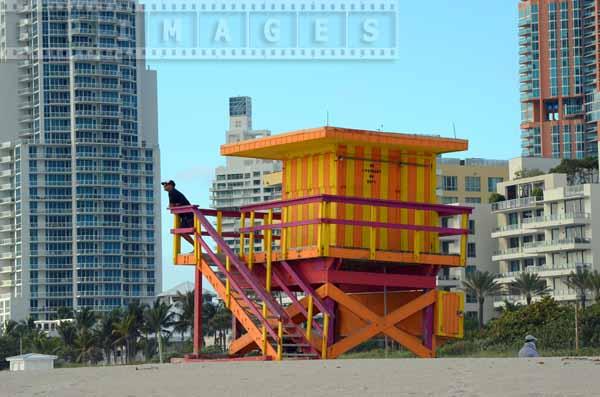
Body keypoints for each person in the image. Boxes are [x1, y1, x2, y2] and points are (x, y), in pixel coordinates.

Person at [162, 180, 194, 245]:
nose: (164, 186)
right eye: (164, 185)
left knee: (181, 231)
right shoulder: (174, 192)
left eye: (166, 184)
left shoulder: (172, 192)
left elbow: (171, 206)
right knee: (181, 231)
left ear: (171, 185)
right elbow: (172, 206)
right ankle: (196, 246)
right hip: (188, 216)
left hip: (187, 216)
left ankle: (196, 246)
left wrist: (174, 205)